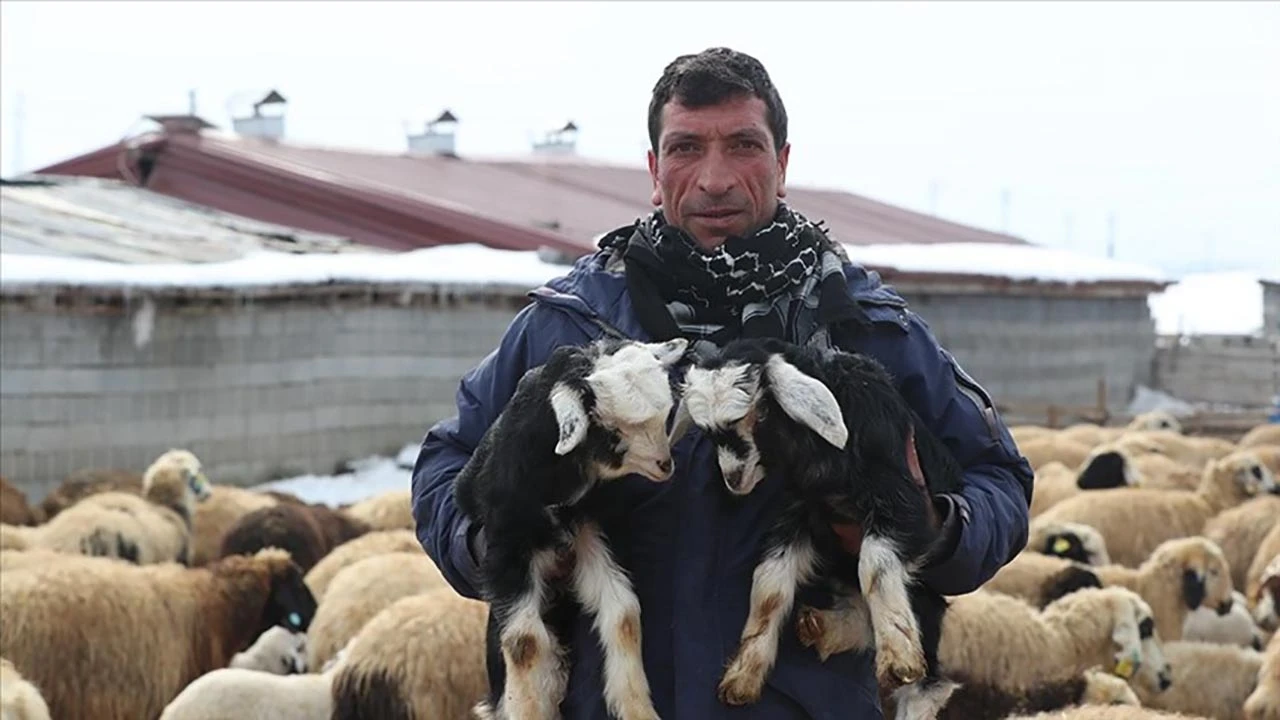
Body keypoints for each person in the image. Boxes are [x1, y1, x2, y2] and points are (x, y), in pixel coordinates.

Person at [412, 47, 1034, 719]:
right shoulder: (564, 329)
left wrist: (924, 525)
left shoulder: (861, 328)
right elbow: (447, 465)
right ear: (654, 172)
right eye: (685, 148)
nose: (714, 179)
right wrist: (505, 545)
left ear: (782, 164)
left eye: (743, 145)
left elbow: (998, 481)